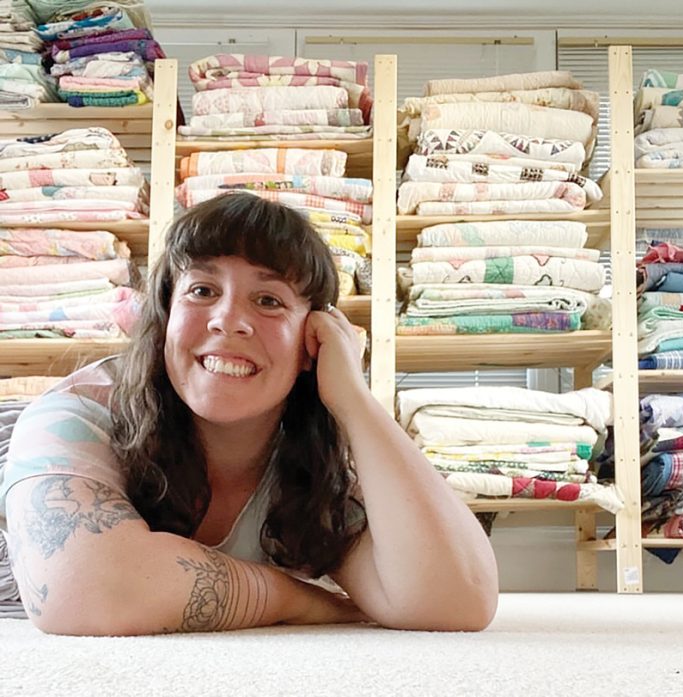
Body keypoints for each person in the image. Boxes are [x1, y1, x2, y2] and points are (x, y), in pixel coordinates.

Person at [0, 193, 498, 636]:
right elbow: (88, 592)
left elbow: (457, 600)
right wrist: (292, 598)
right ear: (165, 316)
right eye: (202, 291)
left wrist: (355, 401)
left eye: (268, 300)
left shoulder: (314, 453)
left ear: (313, 339)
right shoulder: (72, 416)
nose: (228, 320)